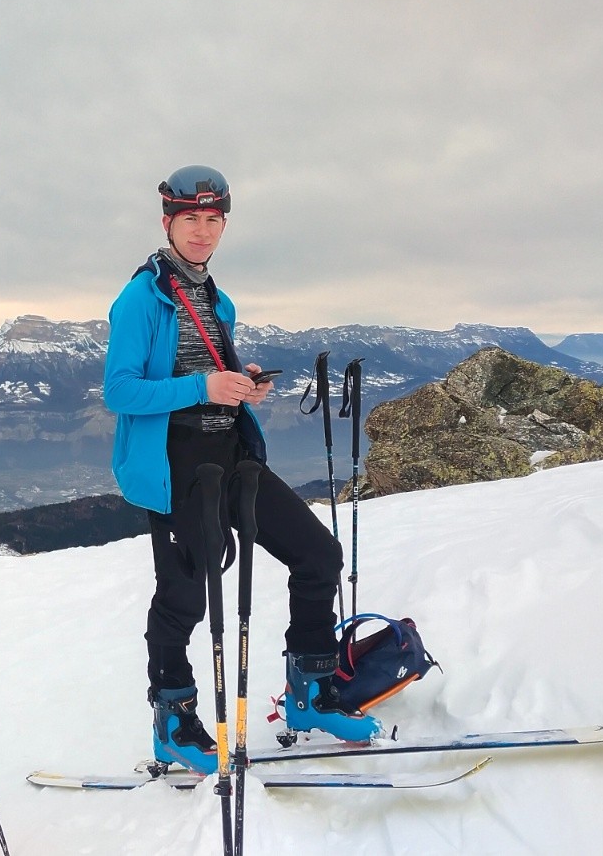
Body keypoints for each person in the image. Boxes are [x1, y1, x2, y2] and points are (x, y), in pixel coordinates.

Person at [103, 165, 381, 774]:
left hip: (230, 454)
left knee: (318, 555)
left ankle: (310, 693)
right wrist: (205, 384)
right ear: (168, 222)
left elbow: (208, 380)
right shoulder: (139, 298)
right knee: (186, 593)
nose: (202, 232)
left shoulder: (216, 298)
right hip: (175, 461)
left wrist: (240, 387)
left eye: (213, 220)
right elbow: (120, 391)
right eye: (190, 220)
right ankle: (173, 721)